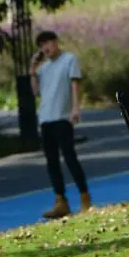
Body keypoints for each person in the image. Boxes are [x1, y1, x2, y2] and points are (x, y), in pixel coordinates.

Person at [31, 29, 92, 219]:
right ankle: (60, 200)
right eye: (42, 46)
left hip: (62, 117)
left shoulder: (69, 59)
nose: (45, 48)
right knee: (52, 161)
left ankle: (84, 197)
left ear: (55, 42)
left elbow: (75, 84)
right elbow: (36, 92)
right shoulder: (44, 68)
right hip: (46, 117)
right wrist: (32, 71)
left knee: (69, 156)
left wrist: (75, 108)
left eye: (48, 43)